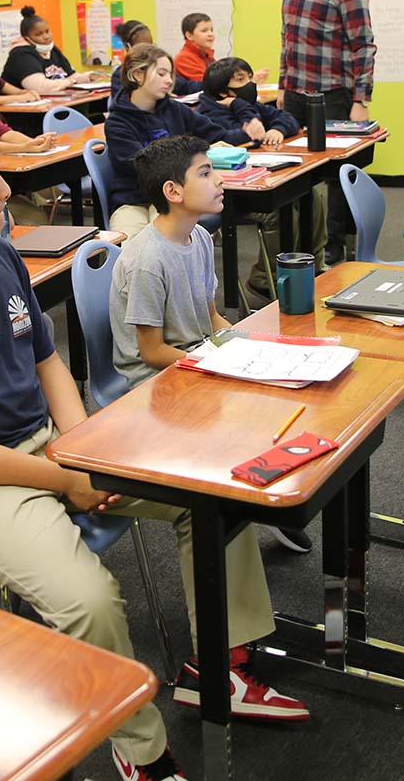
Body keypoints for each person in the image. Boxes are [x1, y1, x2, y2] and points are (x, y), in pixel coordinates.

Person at [0, 107, 302, 781]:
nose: (6, 192)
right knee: (90, 601)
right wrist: (65, 478)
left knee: (213, 498)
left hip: (46, 446)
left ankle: (218, 668)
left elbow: (48, 362)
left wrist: (79, 444)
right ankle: (143, 753)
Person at [111, 135, 316, 559]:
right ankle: (247, 502)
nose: (219, 180)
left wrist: (248, 347)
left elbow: (212, 319)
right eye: (205, 173)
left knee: (282, 387)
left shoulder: (200, 239)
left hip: (197, 354)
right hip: (155, 378)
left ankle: (264, 500)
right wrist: (218, 360)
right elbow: (149, 353)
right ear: (174, 192)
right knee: (242, 410)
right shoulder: (148, 259)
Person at [279, 0, 377, 264]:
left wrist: (360, 99)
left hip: (334, 93)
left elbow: (363, 44)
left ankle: (335, 246)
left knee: (336, 174)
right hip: (295, 91)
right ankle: (296, 242)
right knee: (290, 168)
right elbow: (286, 39)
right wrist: (280, 86)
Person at [104, 43, 255, 240]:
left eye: (170, 74)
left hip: (173, 197)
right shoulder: (117, 122)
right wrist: (188, 155)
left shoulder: (174, 109)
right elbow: (140, 166)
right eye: (161, 74)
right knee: (131, 247)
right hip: (134, 200)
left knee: (167, 241)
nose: (169, 81)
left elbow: (216, 134)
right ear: (138, 75)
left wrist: (247, 132)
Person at [205, 56, 326, 296]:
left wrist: (276, 129)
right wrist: (244, 116)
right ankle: (265, 277)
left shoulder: (252, 107)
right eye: (240, 80)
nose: (249, 84)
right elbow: (228, 137)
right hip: (231, 194)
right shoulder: (209, 114)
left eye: (250, 77)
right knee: (280, 215)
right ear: (222, 92)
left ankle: (313, 265)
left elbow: (287, 119)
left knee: (310, 196)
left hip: (260, 179)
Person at [0, 5, 102, 94]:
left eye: (47, 31)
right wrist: (70, 81)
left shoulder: (52, 49)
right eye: (38, 34)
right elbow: (41, 88)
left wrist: (89, 76)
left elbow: (72, 75)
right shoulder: (21, 54)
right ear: (26, 37)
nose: (46, 37)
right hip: (24, 111)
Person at [111, 20, 201, 103]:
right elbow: (123, 103)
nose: (148, 51)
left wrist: (208, 83)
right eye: (143, 47)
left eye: (151, 45)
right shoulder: (119, 76)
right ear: (128, 47)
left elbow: (184, 86)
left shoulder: (160, 68)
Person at [173, 12, 216, 85]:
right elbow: (208, 84)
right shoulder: (183, 58)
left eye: (211, 30)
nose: (210, 34)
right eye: (204, 31)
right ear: (189, 36)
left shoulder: (207, 55)